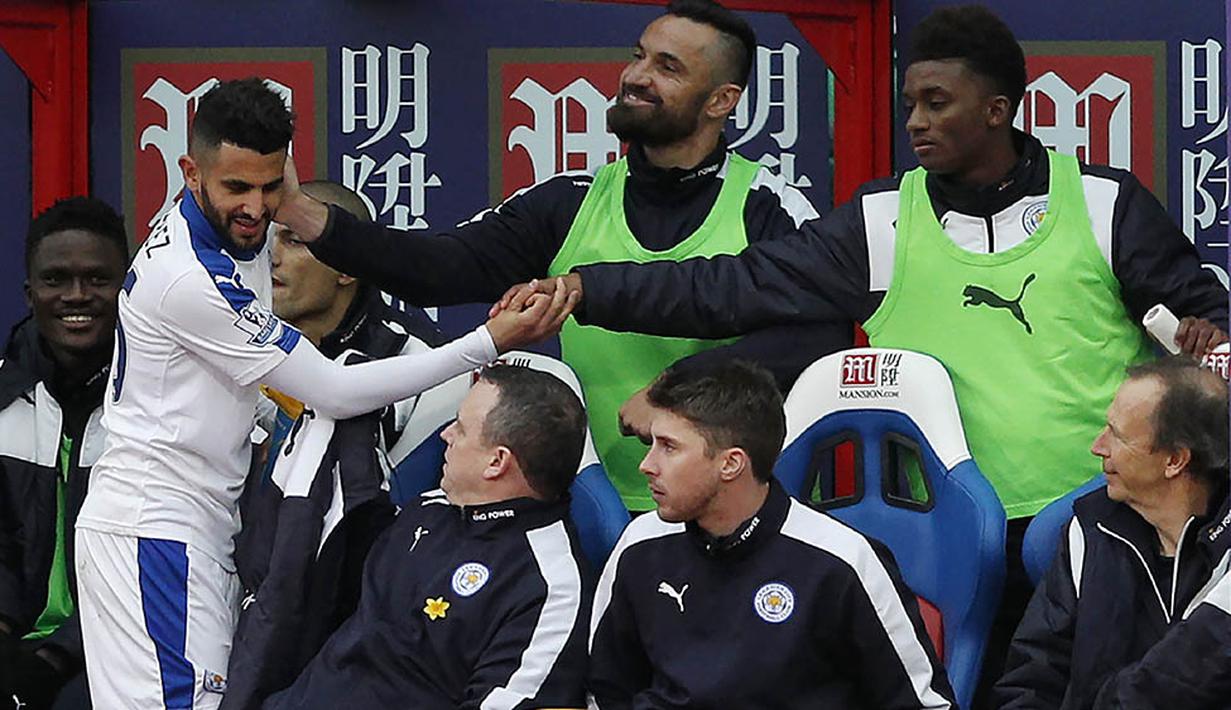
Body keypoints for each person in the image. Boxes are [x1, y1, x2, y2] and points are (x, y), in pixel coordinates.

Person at [506, 6, 1228, 697]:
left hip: (1095, 526)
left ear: (996, 110)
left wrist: (1209, 336)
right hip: (940, 538)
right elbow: (731, 285)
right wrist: (588, 288)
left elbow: (1204, 323)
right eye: (909, 104)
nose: (915, 121)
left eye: (937, 103)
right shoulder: (882, 219)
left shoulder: (1103, 202)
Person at [72, 78, 574, 710]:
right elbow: (335, 390)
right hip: (154, 531)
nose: (256, 208)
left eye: (269, 186)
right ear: (190, 173)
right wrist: (486, 341)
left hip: (199, 527)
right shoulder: (188, 279)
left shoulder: (228, 230)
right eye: (236, 188)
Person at [272, 0, 851, 512]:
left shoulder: (769, 207)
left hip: (725, 512)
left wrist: (678, 391)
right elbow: (437, 268)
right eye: (639, 57)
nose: (636, 77)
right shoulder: (569, 201)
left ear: (722, 100)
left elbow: (818, 336)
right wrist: (302, 215)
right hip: (589, 510)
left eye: (668, 67)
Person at [588, 361, 955, 709]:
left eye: (669, 447)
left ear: (731, 464)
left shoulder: (842, 560)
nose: (647, 465)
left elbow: (925, 704)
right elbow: (604, 692)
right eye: (652, 444)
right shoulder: (639, 545)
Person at [264, 364, 592, 709]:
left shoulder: (551, 588)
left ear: (497, 462)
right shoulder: (429, 508)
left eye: (460, 428)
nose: (445, 435)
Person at [996, 357, 1229, 709]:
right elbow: (1033, 676)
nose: (1098, 447)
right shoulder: (1090, 532)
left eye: (1117, 436)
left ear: (1174, 460)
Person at [0, 197, 129, 709]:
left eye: (98, 279)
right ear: (30, 293)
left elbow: (152, 562)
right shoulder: (5, 396)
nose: (77, 296)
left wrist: (54, 659)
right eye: (56, 280)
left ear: (127, 288)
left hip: (120, 648)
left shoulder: (164, 403)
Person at [262, 179, 455, 497]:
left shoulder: (419, 359)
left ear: (347, 266)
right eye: (265, 239)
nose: (271, 256)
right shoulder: (237, 340)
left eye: (294, 240)